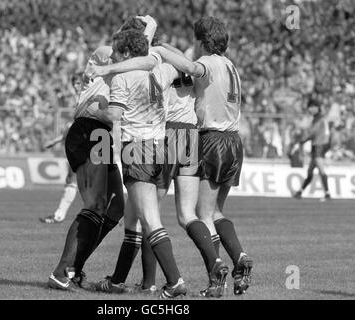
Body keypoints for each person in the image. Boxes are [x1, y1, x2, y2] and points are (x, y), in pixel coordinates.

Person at [90, 40, 229, 297]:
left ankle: (149, 282)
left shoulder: (155, 67)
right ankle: (215, 263)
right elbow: (200, 99)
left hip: (164, 137)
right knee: (188, 214)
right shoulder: (183, 67)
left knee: (144, 216)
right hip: (191, 137)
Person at [151, 16, 253, 295]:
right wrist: (163, 44)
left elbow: (189, 66)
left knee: (201, 214)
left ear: (201, 42)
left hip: (212, 140)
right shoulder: (230, 65)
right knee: (215, 211)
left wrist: (158, 50)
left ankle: (216, 273)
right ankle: (240, 259)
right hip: (234, 142)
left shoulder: (207, 63)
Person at [94, 29, 187, 299]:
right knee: (134, 221)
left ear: (125, 54)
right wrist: (164, 48)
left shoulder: (122, 77)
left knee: (149, 219)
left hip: (137, 149)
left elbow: (114, 114)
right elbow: (185, 66)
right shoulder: (163, 70)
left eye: (116, 51)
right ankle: (117, 281)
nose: (113, 55)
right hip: (160, 147)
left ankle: (175, 281)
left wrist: (94, 108)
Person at [47, 46, 125, 291]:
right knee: (95, 204)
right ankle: (61, 273)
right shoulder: (107, 53)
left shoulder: (127, 67)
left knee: (115, 207)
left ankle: (75, 269)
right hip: (89, 130)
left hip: (102, 135)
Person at [40, 73, 83, 224]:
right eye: (75, 84)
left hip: (93, 144)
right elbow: (73, 127)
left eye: (79, 83)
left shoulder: (91, 98)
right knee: (72, 179)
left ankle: (118, 214)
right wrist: (56, 140)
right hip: (82, 144)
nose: (77, 86)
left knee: (97, 182)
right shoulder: (78, 102)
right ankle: (59, 214)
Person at [293, 98, 331, 201]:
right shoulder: (319, 118)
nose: (310, 109)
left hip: (319, 145)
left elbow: (312, 133)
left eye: (311, 107)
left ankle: (327, 194)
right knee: (310, 171)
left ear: (316, 107)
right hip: (318, 146)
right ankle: (299, 192)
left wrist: (301, 141)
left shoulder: (319, 119)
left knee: (321, 169)